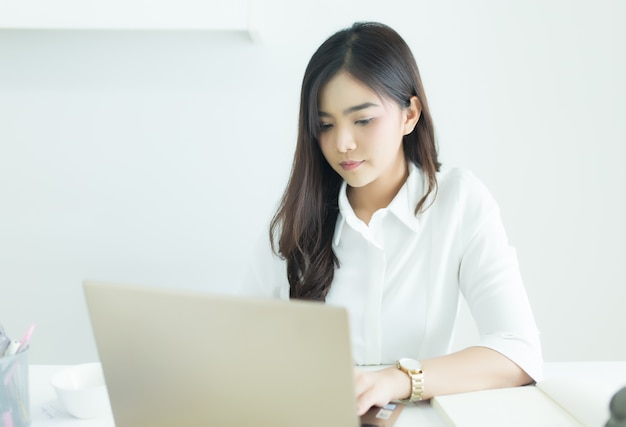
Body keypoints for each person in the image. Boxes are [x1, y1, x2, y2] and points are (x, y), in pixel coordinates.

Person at [243, 21, 543, 416]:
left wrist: (398, 378)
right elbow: (246, 355)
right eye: (325, 125)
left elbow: (517, 352)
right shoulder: (295, 221)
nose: (342, 143)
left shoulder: (458, 201)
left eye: (363, 120)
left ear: (409, 114)